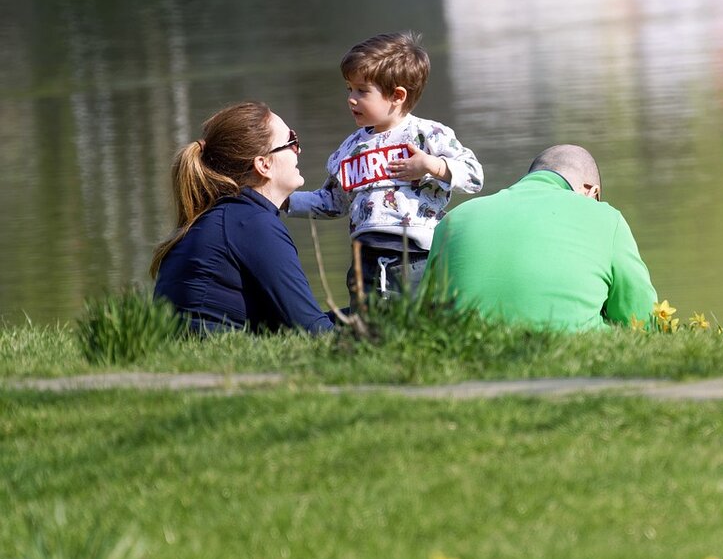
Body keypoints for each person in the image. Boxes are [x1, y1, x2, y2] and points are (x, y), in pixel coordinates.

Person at [287, 31, 484, 302]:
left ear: (397, 95)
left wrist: (432, 165)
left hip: (416, 257)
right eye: (349, 89)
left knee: (418, 323)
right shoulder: (349, 148)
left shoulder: (428, 135)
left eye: (362, 91)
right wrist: (281, 200)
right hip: (364, 258)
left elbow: (474, 176)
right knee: (368, 327)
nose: (351, 98)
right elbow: (332, 202)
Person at [426, 145, 657, 331]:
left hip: (468, 349)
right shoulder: (606, 217)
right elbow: (641, 319)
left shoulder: (453, 220)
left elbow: (427, 311)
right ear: (591, 192)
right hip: (572, 352)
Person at [151, 102, 334, 334]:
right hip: (214, 362)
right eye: (291, 142)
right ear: (264, 165)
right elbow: (312, 330)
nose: (299, 150)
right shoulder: (253, 223)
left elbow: (294, 325)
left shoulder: (231, 217)